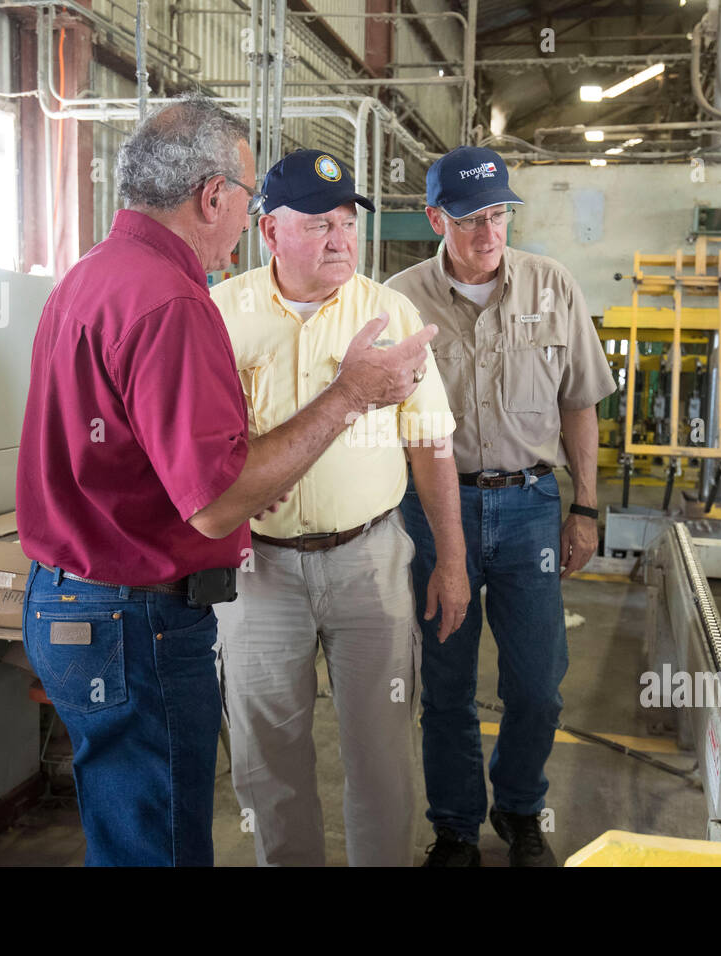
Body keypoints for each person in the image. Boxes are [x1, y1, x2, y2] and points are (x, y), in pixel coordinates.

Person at [14, 98, 436, 867]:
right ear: (214, 197)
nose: (243, 220)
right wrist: (347, 395)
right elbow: (214, 503)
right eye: (246, 199)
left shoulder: (89, 278)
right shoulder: (177, 303)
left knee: (128, 833)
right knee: (166, 842)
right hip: (136, 617)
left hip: (71, 603)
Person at [209, 149, 469, 866]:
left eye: (347, 223)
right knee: (267, 761)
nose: (340, 240)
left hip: (370, 562)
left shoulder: (389, 312)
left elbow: (432, 445)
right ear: (269, 233)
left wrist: (451, 560)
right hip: (257, 568)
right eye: (319, 223)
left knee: (382, 755)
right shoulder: (219, 315)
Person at [385, 146, 617, 867]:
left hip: (529, 510)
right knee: (446, 685)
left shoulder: (553, 286)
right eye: (469, 219)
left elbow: (580, 400)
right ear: (435, 219)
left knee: (538, 685)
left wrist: (586, 507)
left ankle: (520, 810)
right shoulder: (398, 302)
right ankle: (455, 828)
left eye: (498, 215)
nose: (488, 233)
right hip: (431, 512)